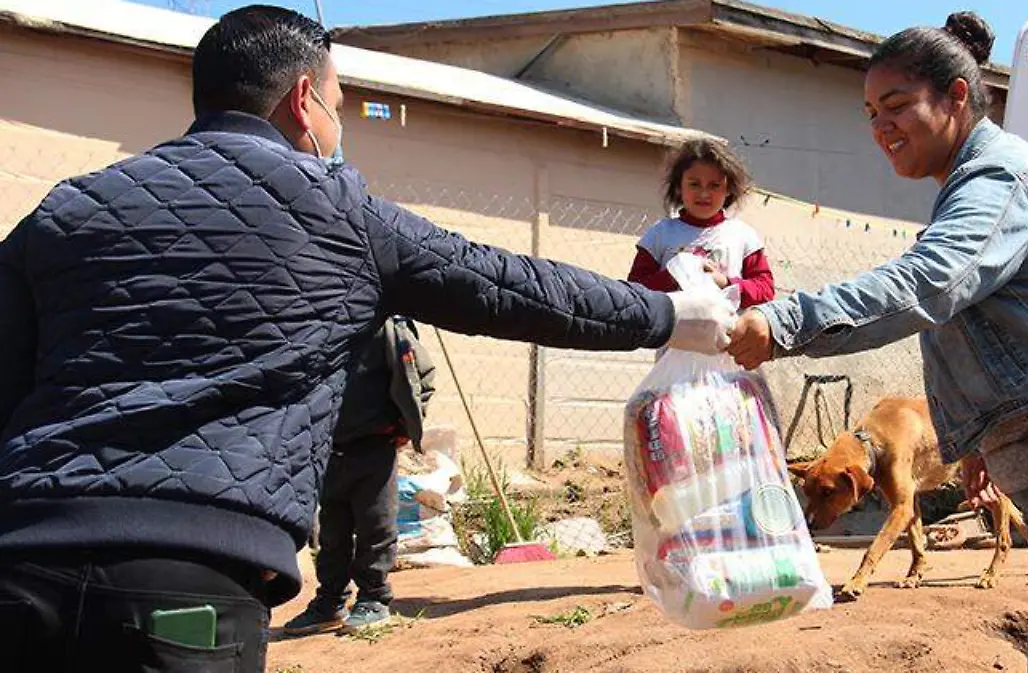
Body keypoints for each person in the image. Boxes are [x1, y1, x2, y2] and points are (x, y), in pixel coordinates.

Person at [0, 6, 732, 672]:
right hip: (188, 591)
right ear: (303, 101)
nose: (340, 127)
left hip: (21, 569)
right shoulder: (341, 213)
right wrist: (669, 315)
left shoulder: (71, 204)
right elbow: (515, 287)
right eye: (340, 105)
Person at [727, 11, 1028, 673]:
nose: (879, 126)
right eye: (869, 113)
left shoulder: (996, 180)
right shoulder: (967, 189)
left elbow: (929, 284)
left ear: (956, 95)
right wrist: (979, 441)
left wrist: (784, 323)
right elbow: (974, 325)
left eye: (896, 105)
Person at [284, 317, 435, 636]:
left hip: (375, 446)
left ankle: (374, 597)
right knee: (333, 533)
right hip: (331, 449)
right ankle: (330, 601)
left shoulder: (388, 328)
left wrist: (407, 427)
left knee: (375, 526)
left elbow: (422, 378)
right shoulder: (320, 328)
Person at [628, 138, 775, 308]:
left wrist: (725, 282)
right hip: (671, 332)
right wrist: (672, 276)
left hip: (725, 333)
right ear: (678, 187)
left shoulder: (743, 236)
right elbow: (634, 292)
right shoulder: (660, 234)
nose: (704, 194)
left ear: (728, 190)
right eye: (694, 184)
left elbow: (765, 290)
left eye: (714, 185)